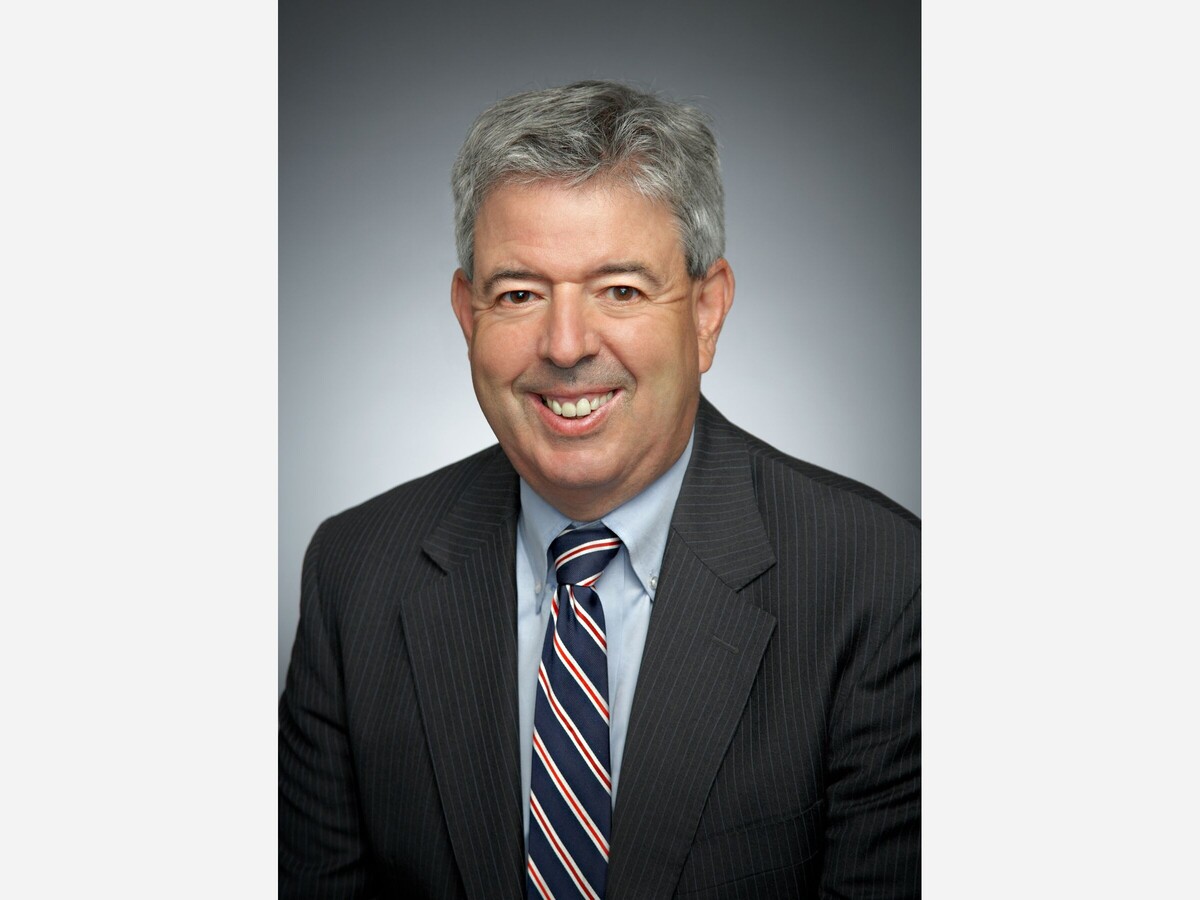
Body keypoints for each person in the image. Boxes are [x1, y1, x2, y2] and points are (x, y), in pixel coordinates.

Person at [279, 80, 920, 899]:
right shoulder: (356, 573)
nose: (566, 345)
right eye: (519, 293)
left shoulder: (879, 579)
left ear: (707, 311)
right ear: (468, 316)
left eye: (620, 289)